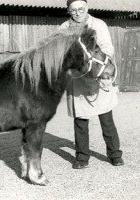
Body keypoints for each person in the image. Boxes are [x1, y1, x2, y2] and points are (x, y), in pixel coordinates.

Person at [59, 0, 124, 169]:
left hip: (98, 75)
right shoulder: (64, 28)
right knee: (81, 121)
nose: (78, 13)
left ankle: (115, 154)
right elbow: (61, 53)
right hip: (78, 79)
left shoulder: (98, 24)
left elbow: (107, 47)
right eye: (73, 10)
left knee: (106, 119)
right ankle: (82, 158)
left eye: (81, 9)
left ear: (87, 8)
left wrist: (98, 63)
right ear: (69, 11)